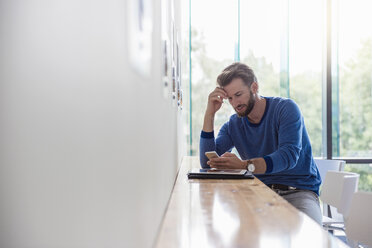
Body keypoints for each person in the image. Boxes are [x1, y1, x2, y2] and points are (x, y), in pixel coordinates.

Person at [199, 62, 322, 224]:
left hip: (298, 192)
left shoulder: (286, 109)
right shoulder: (234, 124)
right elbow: (207, 163)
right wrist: (210, 113)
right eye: (229, 98)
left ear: (254, 87)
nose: (235, 103)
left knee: (310, 238)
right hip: (259, 192)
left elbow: (288, 157)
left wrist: (244, 166)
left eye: (238, 94)